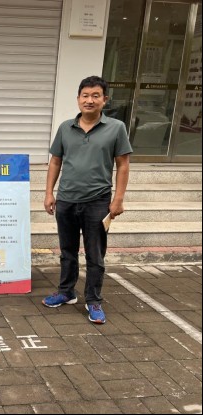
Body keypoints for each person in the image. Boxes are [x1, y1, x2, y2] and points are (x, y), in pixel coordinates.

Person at [42, 76, 133, 324]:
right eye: (85, 95)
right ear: (78, 99)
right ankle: (66, 292)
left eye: (95, 95)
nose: (89, 100)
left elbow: (123, 165)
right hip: (66, 200)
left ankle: (93, 300)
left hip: (98, 201)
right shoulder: (65, 128)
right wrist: (49, 193)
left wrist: (118, 199)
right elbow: (55, 161)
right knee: (67, 251)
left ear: (105, 100)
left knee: (95, 255)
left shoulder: (116, 128)